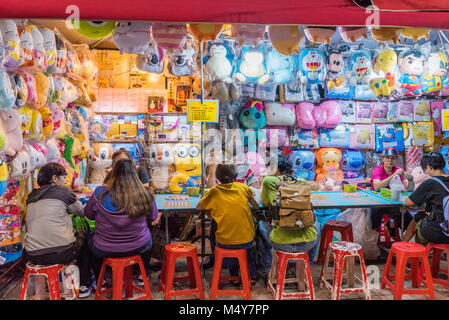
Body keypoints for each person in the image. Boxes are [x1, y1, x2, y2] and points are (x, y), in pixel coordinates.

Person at [84, 159, 159, 292]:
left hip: (104, 248)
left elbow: (88, 214)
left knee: (88, 241)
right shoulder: (146, 193)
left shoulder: (99, 193)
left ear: (113, 174)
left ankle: (100, 280)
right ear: (135, 174)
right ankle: (142, 275)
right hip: (139, 247)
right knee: (149, 236)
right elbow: (153, 218)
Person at [24, 163, 88, 299]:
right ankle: (74, 290)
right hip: (60, 253)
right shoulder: (64, 192)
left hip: (32, 255)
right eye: (64, 177)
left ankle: (40, 293)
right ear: (54, 179)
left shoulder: (30, 197)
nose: (66, 181)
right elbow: (82, 212)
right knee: (83, 239)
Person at [260, 149, 321, 277]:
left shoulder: (269, 181)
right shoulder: (300, 182)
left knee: (260, 224)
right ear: (291, 171)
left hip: (281, 243)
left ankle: (267, 270)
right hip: (307, 242)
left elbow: (265, 203)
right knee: (317, 224)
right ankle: (306, 268)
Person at [196, 164, 259, 283]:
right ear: (235, 175)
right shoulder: (243, 187)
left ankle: (234, 276)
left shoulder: (214, 191)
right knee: (247, 249)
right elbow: (255, 205)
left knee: (229, 242)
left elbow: (198, 207)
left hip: (224, 241)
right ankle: (251, 276)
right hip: (246, 239)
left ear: (217, 177)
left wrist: (213, 208)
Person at [403, 152, 449, 244]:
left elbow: (408, 202)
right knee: (419, 215)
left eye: (424, 170)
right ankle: (404, 243)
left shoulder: (430, 183)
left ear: (429, 167)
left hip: (441, 232)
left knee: (420, 224)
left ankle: (419, 254)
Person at [369, 147, 413, 233]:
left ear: (396, 159)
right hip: (377, 202)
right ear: (382, 158)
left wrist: (411, 180)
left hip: (392, 202)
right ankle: (374, 233)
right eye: (387, 157)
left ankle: (394, 230)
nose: (390, 160)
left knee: (404, 214)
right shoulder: (378, 170)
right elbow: (377, 187)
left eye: (393, 158)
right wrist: (393, 175)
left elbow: (410, 189)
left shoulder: (398, 170)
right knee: (374, 216)